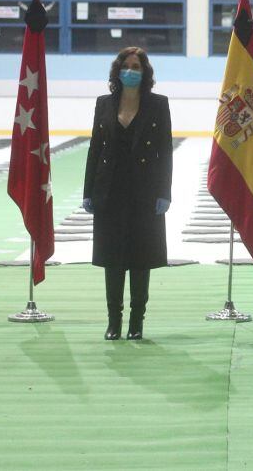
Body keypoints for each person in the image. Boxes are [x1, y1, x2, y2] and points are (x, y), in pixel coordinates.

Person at [83, 47, 173, 341]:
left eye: (136, 67)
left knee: (140, 257)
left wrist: (164, 192)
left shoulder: (158, 105)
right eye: (126, 66)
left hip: (144, 192)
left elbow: (164, 152)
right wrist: (88, 192)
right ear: (117, 71)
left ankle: (136, 320)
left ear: (145, 72)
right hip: (109, 190)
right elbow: (95, 149)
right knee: (112, 258)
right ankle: (113, 321)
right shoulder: (104, 104)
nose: (131, 71)